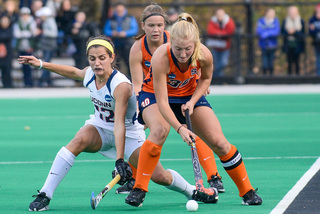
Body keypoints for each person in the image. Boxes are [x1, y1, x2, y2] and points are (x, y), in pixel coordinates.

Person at [20, 35, 216, 211]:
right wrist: (40, 64)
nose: (97, 63)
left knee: (160, 176)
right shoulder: (90, 74)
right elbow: (73, 72)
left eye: (102, 58)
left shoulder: (120, 85)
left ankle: (191, 191)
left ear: (112, 58)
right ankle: (45, 194)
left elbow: (120, 125)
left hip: (129, 134)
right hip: (100, 129)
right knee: (77, 141)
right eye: (92, 59)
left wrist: (120, 159)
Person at [126, 13, 263, 207]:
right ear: (170, 41)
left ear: (196, 44)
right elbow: (163, 103)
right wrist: (180, 128)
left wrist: (192, 101)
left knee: (220, 143)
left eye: (188, 49)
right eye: (178, 49)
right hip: (155, 95)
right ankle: (139, 189)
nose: (183, 54)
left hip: (189, 95)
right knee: (159, 131)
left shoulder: (204, 54)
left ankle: (247, 191)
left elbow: (205, 79)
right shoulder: (160, 57)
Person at [118, 3, 224, 195]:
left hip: (181, 92)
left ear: (165, 25)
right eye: (151, 26)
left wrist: (200, 81)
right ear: (143, 26)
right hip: (153, 94)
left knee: (193, 130)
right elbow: (137, 83)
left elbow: (196, 59)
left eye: (159, 25)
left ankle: (214, 177)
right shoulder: (137, 49)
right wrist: (142, 109)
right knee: (145, 132)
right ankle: (136, 178)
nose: (156, 30)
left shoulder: (177, 39)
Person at [103, 1, 138, 79]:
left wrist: (125, 33)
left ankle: (131, 79)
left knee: (129, 63)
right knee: (115, 64)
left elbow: (134, 29)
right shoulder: (111, 19)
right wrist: (112, 33)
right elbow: (106, 30)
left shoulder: (130, 18)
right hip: (115, 44)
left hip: (127, 44)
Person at [206, 9, 235, 76]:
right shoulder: (213, 21)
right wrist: (221, 34)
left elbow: (230, 31)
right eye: (218, 15)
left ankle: (217, 75)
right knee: (216, 62)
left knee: (223, 63)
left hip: (225, 46)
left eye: (221, 15)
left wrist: (219, 34)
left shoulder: (228, 21)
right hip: (216, 46)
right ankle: (219, 77)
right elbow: (210, 31)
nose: (220, 16)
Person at [13, 7, 37, 87]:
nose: (25, 16)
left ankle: (30, 82)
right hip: (21, 47)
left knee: (31, 66)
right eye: (23, 14)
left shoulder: (32, 22)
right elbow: (17, 34)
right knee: (23, 65)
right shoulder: (18, 23)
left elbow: (32, 33)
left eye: (26, 14)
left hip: (29, 48)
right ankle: (26, 82)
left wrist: (23, 33)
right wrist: (27, 33)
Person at [35, 6, 58, 87]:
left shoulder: (50, 21)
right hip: (46, 46)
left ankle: (42, 81)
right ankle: (48, 81)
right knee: (47, 63)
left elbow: (54, 33)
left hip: (49, 46)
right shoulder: (45, 21)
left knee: (46, 64)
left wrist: (42, 31)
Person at [281, 6, 305, 76]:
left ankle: (297, 76)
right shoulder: (285, 21)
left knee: (297, 61)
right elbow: (282, 33)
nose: (292, 14)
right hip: (288, 44)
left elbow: (303, 34)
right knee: (289, 61)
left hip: (298, 44)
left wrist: (294, 32)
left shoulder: (301, 21)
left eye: (294, 12)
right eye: (291, 12)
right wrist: (288, 32)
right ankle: (289, 76)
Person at [256, 8, 280, 76]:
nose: (272, 15)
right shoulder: (261, 21)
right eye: (270, 13)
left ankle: (271, 76)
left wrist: (266, 34)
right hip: (263, 44)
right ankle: (264, 76)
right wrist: (266, 33)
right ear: (266, 13)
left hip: (272, 44)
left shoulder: (275, 21)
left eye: (273, 13)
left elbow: (276, 31)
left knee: (271, 61)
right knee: (264, 62)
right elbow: (259, 31)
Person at [0, 15, 13, 88]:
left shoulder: (10, 29)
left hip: (7, 55)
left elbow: (6, 37)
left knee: (7, 71)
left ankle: (8, 87)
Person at [309, 4, 320, 76]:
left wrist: (315, 28)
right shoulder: (312, 19)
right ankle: (318, 74)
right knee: (318, 58)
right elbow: (311, 31)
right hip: (317, 42)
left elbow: (314, 28)